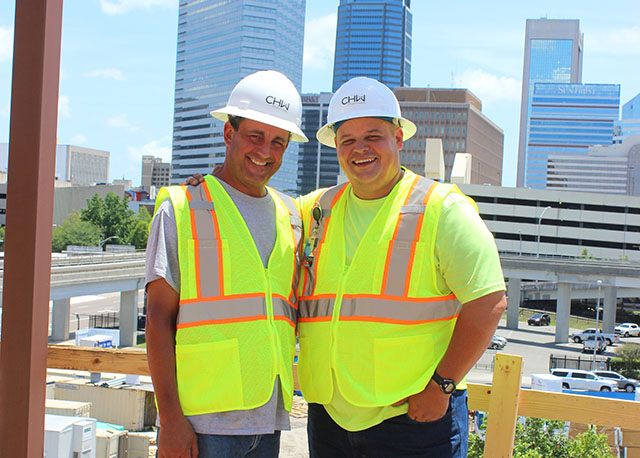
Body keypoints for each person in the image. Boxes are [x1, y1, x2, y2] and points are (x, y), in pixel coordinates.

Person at [296, 77, 507, 457]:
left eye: (373, 136)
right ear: (336, 147)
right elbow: (257, 208)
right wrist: (208, 185)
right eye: (348, 140)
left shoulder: (441, 209)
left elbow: (488, 301)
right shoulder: (316, 209)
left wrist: (442, 385)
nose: (360, 149)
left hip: (415, 420)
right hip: (330, 418)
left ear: (398, 138)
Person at [145, 70, 308, 458]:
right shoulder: (182, 207)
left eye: (278, 142)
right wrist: (170, 420)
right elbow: (157, 318)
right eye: (255, 136)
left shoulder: (292, 215)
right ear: (229, 134)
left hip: (268, 422)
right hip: (202, 426)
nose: (265, 151)